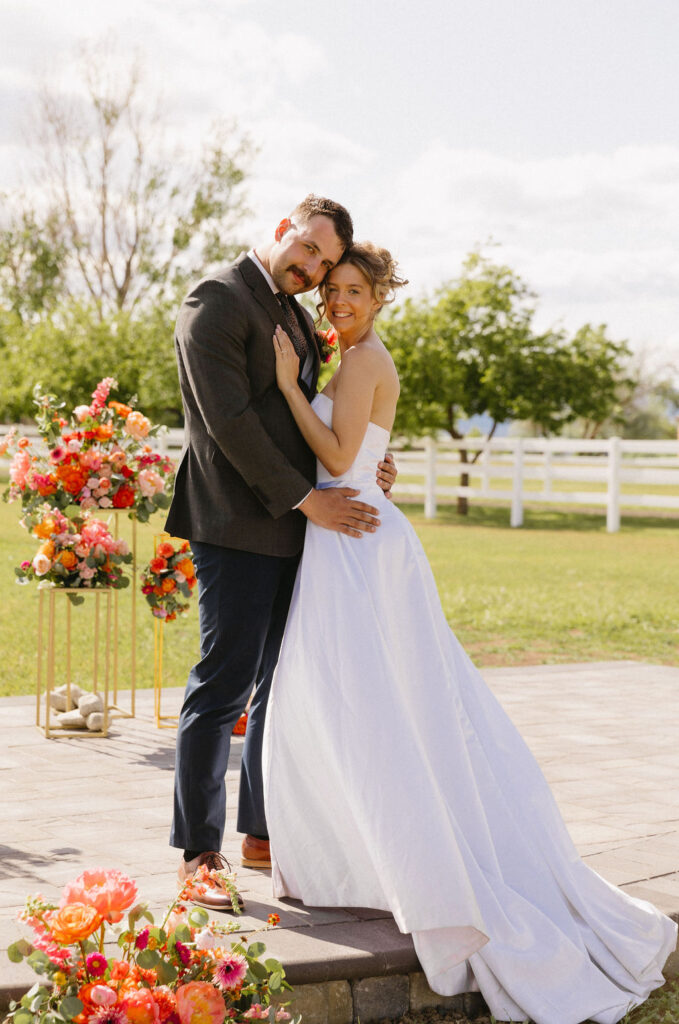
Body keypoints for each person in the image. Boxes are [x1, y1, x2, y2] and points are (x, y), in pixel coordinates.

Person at [263, 242, 677, 1024]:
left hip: (353, 545)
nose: (341, 301)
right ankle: (358, 859)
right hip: (351, 536)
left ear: (380, 298)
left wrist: (286, 388)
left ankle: (418, 867)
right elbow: (362, 456)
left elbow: (339, 454)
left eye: (355, 290)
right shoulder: (354, 359)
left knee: (369, 708)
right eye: (334, 290)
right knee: (350, 705)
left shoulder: (358, 362)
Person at [165, 197, 397, 909]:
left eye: (325, 264)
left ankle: (261, 830)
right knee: (222, 688)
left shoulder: (299, 318)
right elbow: (226, 422)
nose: (312, 267)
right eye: (307, 249)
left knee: (280, 686)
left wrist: (363, 469)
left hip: (302, 533)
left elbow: (316, 423)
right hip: (236, 528)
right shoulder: (218, 300)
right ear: (280, 230)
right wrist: (308, 498)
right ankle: (200, 852)